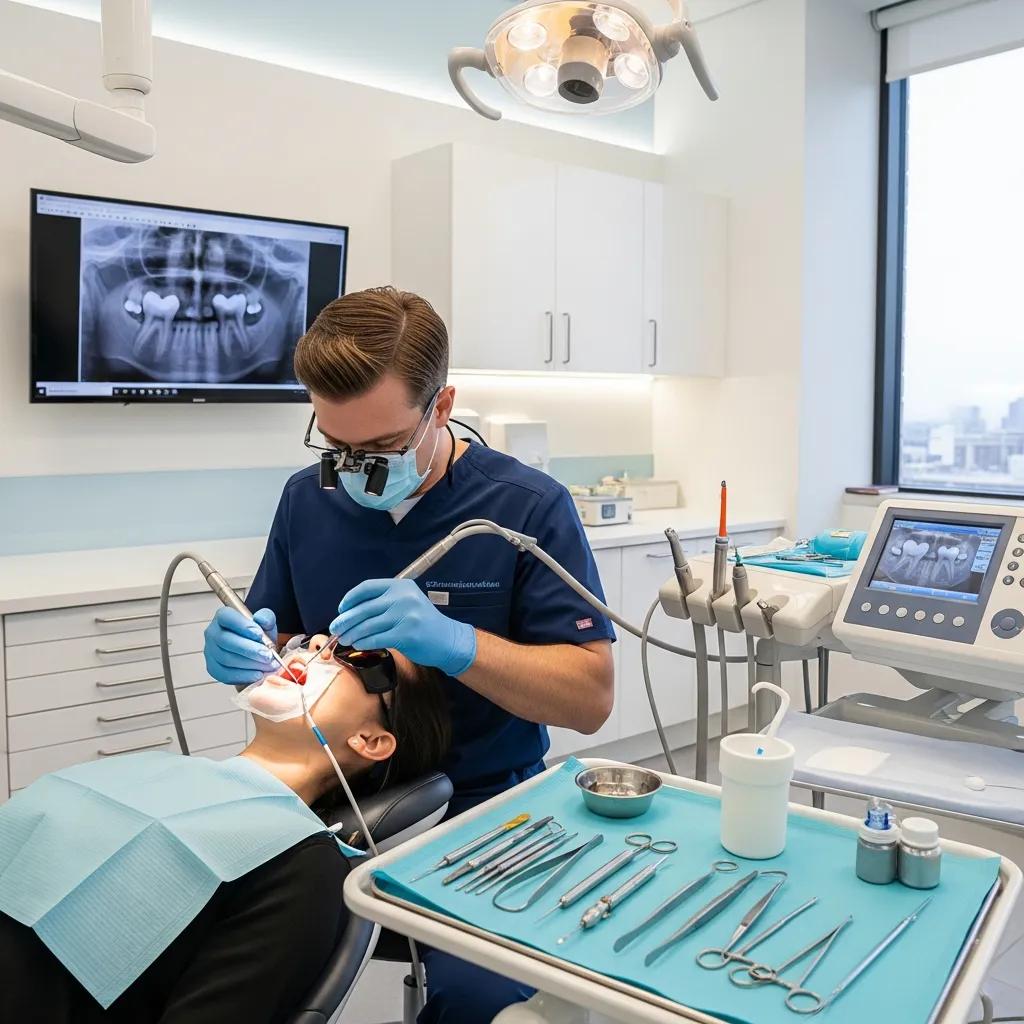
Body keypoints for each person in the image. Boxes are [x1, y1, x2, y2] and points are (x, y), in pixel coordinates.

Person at [202, 285, 616, 1023]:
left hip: (486, 805)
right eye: (337, 446)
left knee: (471, 995)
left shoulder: (527, 509)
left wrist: (457, 645)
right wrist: (256, 647)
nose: (354, 469)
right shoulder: (307, 499)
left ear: (443, 406)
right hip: (332, 799)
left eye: (381, 449)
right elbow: (284, 632)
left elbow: (588, 698)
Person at [0, 637, 450, 1024]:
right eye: (319, 640)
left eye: (357, 658)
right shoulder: (153, 768)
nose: (316, 646)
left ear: (371, 741)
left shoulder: (304, 867)